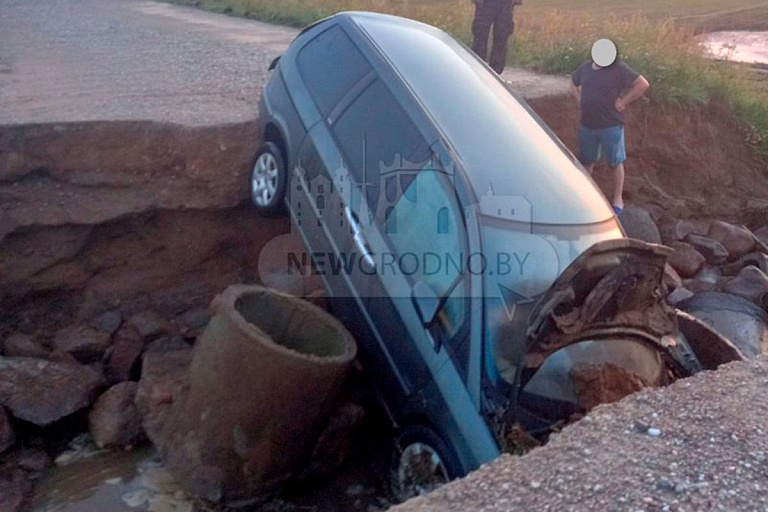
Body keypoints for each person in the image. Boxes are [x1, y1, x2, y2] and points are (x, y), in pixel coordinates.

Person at [571, 40, 650, 215]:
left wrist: (624, 101)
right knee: (587, 162)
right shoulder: (585, 68)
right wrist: (578, 97)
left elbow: (642, 84)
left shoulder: (619, 69)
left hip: (611, 125)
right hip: (587, 125)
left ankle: (617, 199)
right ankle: (584, 197)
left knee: (615, 162)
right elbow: (573, 82)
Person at [471, 0, 522, 74]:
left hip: (505, 3)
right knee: (480, 34)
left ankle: (495, 73)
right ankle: (476, 70)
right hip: (485, 3)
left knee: (502, 35)